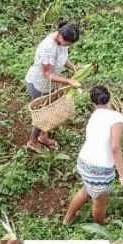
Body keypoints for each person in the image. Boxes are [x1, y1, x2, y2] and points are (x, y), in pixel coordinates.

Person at [65, 86, 123, 226]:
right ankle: (99, 228)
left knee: (86, 190)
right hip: (100, 170)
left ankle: (66, 220)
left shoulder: (94, 116)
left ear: (93, 103)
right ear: (110, 97)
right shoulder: (117, 117)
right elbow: (116, 148)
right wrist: (122, 176)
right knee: (100, 203)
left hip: (84, 163)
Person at [23, 21, 83, 153]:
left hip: (50, 85)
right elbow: (47, 74)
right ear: (61, 37)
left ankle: (44, 137)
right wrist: (69, 81)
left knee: (49, 111)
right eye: (68, 44)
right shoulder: (48, 48)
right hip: (38, 84)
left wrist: (74, 67)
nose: (68, 46)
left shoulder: (62, 40)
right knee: (42, 116)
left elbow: (63, 58)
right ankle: (32, 142)